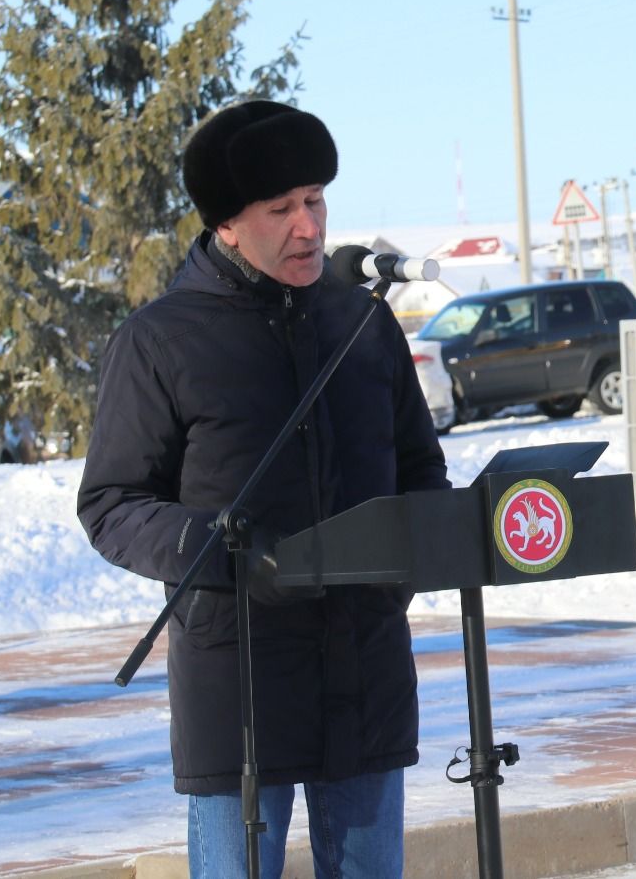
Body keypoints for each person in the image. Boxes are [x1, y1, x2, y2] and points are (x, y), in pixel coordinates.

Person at [77, 100, 449, 877]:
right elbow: (112, 504)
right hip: (238, 681)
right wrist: (216, 550)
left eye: (315, 200)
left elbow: (420, 472)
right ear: (226, 225)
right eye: (281, 208)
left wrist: (391, 581)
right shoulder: (160, 340)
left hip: (365, 666)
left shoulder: (365, 321)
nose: (309, 226)